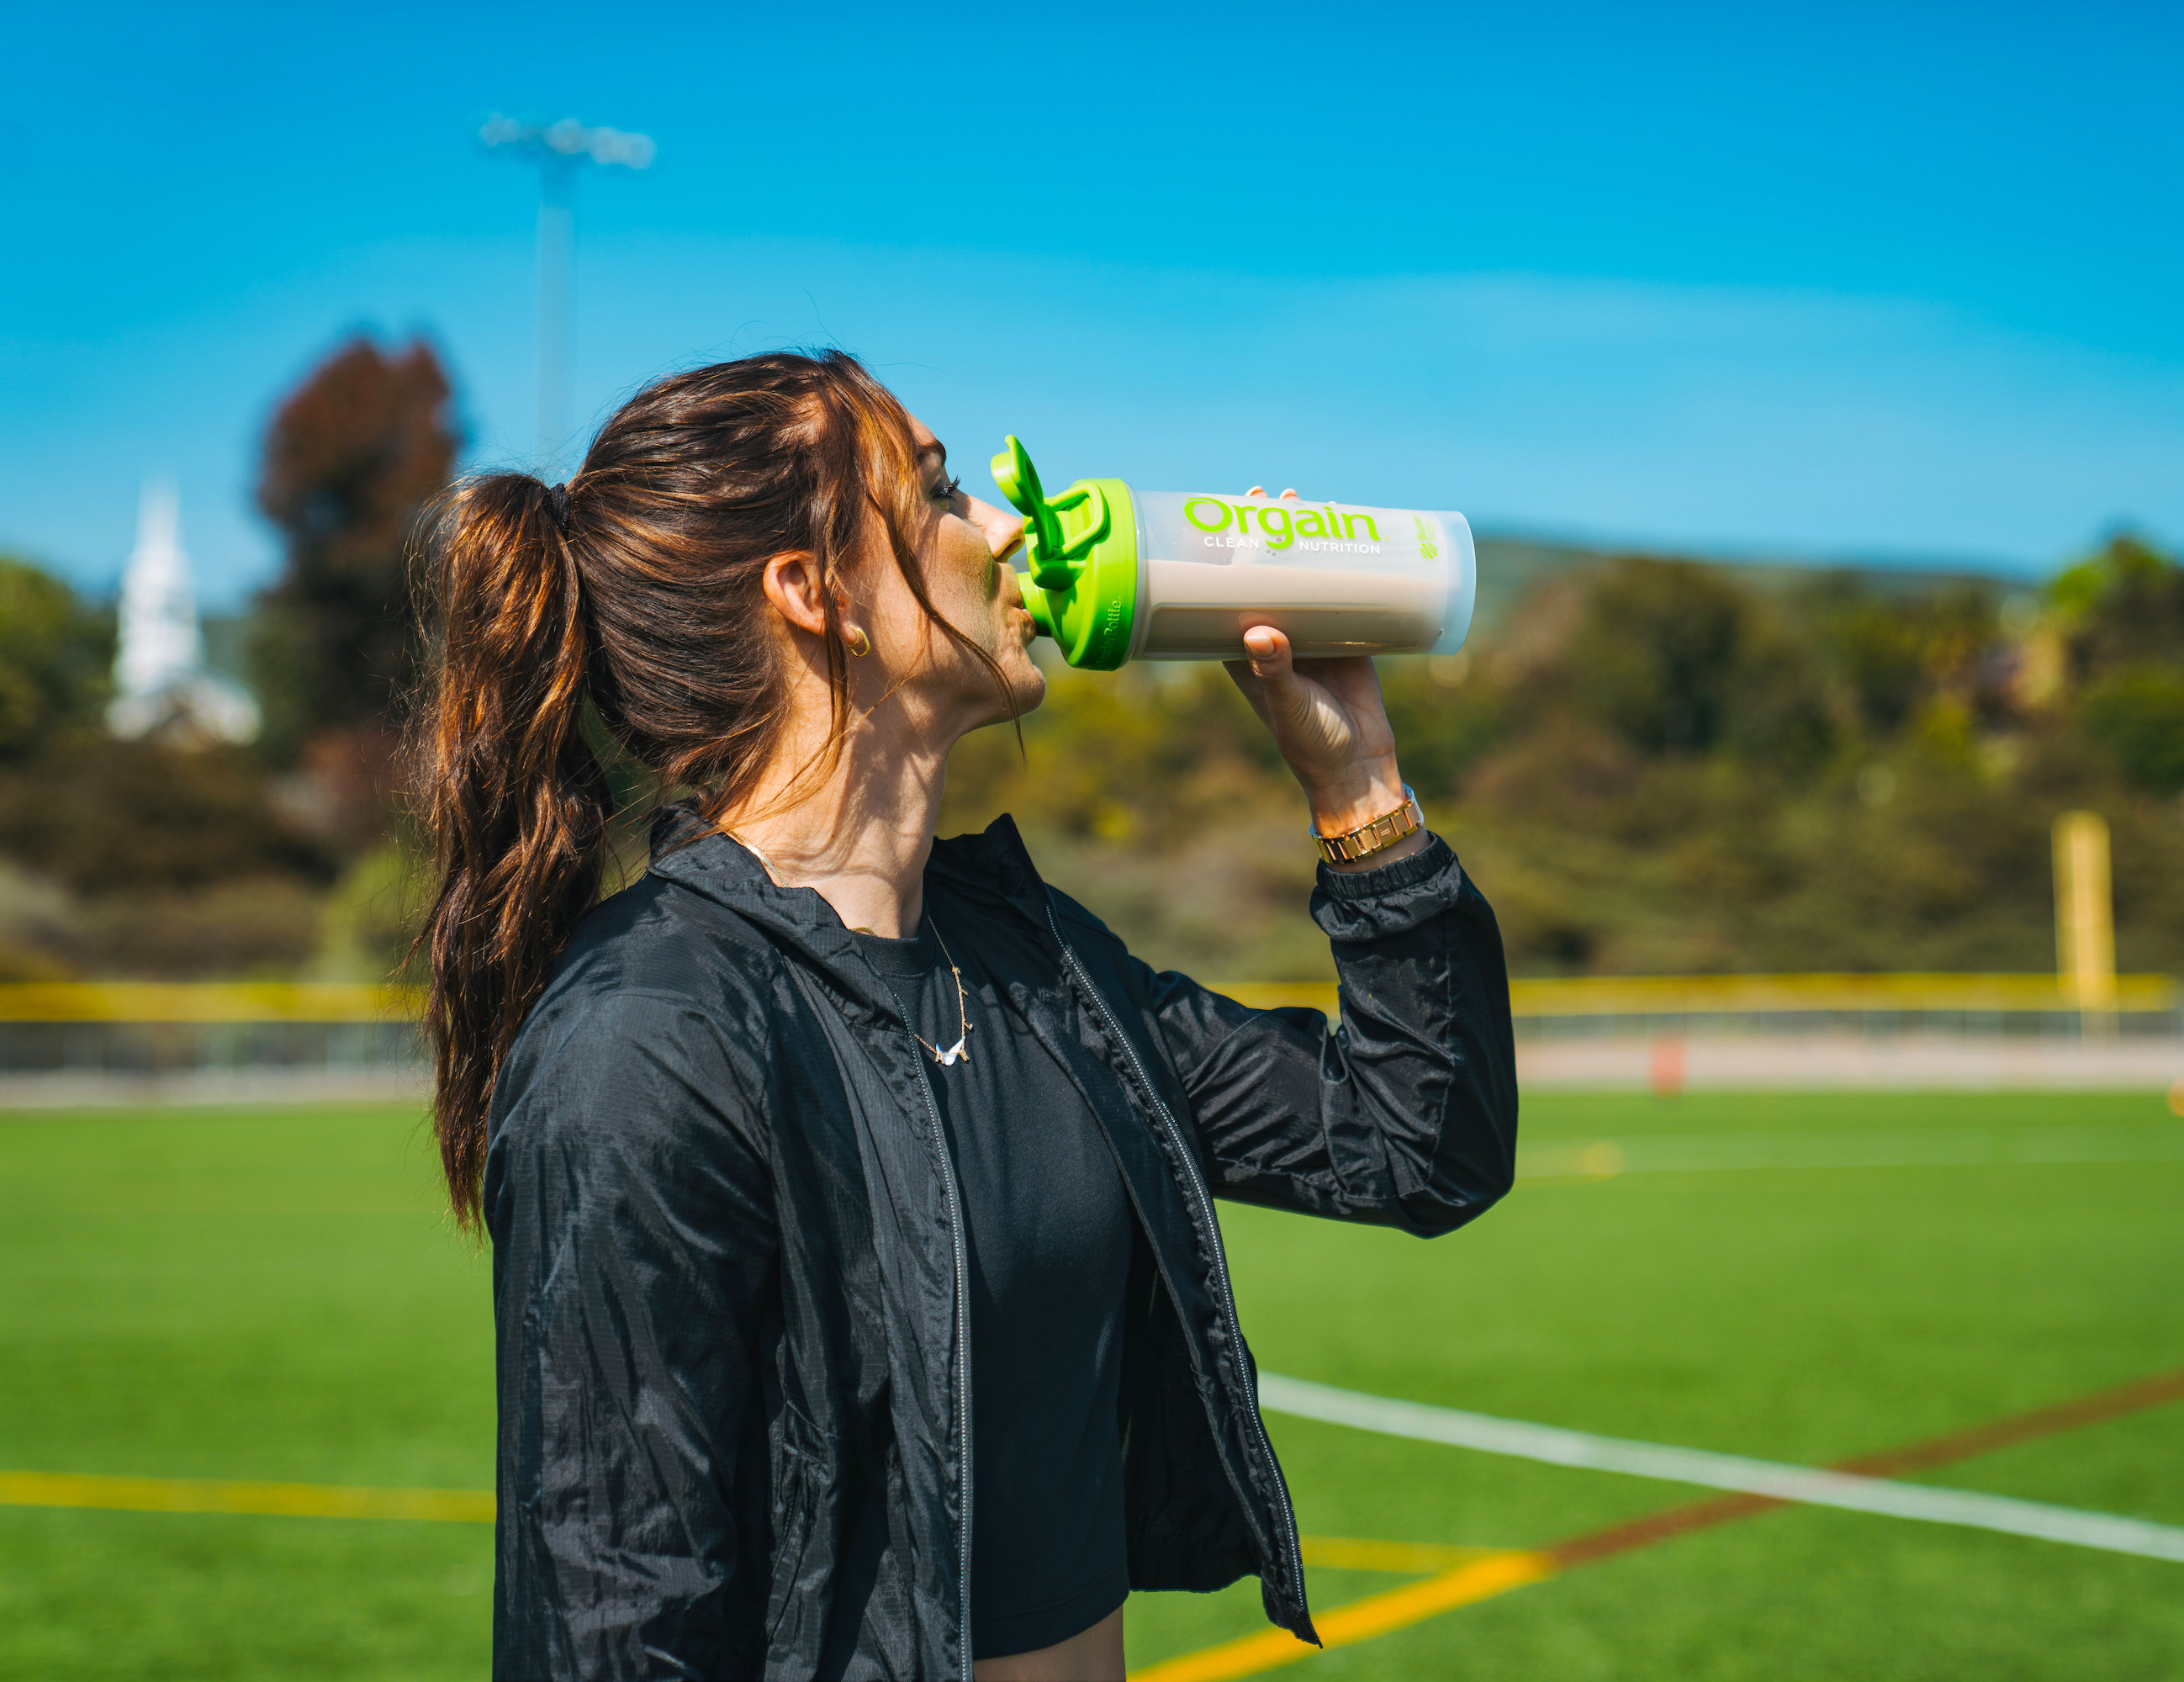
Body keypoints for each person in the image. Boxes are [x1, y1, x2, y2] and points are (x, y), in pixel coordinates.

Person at [412, 350, 1518, 1680]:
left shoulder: (1035, 964)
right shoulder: (649, 1041)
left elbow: (1416, 1144)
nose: (1000, 530)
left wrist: (1363, 798)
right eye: (937, 494)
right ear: (813, 593)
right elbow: (615, 1618)